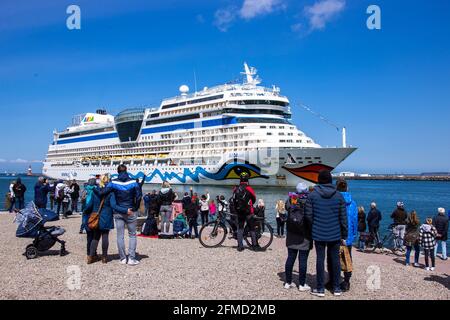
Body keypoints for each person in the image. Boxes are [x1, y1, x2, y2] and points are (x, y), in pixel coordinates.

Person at [305, 170, 347, 297]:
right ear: (330, 180)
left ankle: (320, 288)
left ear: (319, 180)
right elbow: (343, 218)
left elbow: (308, 216)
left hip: (318, 233)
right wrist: (344, 234)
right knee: (335, 260)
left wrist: (313, 228)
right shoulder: (339, 196)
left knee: (320, 259)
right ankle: (336, 288)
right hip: (335, 233)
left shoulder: (312, 195)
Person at [94, 165, 142, 266]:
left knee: (120, 236)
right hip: (130, 211)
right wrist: (135, 208)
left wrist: (94, 187)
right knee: (132, 235)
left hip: (118, 212)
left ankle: (123, 258)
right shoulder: (134, 182)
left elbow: (102, 192)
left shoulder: (113, 183)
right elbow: (138, 196)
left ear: (117, 171)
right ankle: (132, 259)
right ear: (126, 171)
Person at [284, 183, 312, 292]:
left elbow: (287, 208)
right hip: (304, 235)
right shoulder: (308, 200)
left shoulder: (292, 198)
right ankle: (301, 284)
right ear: (305, 191)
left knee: (290, 258)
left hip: (291, 233)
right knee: (303, 260)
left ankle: (288, 282)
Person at [334, 178, 357, 292]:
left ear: (336, 188)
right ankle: (347, 281)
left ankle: (335, 280)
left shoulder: (334, 201)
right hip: (348, 236)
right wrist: (353, 235)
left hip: (335, 235)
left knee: (334, 258)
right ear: (347, 187)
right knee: (347, 258)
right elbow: (354, 221)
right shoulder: (353, 203)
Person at [230, 172, 257, 252]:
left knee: (240, 229)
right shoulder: (249, 188)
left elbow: (233, 199)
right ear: (247, 179)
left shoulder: (236, 189)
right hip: (249, 212)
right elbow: (254, 199)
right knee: (252, 229)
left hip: (239, 212)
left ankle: (240, 246)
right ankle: (254, 246)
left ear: (240, 179)